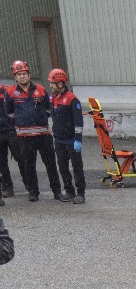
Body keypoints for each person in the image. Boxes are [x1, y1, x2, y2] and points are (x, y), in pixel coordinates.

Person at [5, 60, 63, 203]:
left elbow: (49, 109)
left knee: (51, 164)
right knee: (28, 165)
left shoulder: (41, 89)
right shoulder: (11, 92)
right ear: (15, 77)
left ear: (29, 75)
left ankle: (57, 191)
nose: (22, 77)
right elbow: (9, 112)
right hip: (24, 137)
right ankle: (33, 192)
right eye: (19, 74)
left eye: (24, 74)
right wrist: (23, 120)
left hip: (43, 135)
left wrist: (39, 118)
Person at [47, 68, 85, 204]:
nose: (50, 85)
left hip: (71, 140)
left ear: (60, 83)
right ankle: (69, 191)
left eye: (52, 83)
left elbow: (78, 121)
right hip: (59, 140)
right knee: (63, 167)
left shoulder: (72, 99)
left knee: (77, 167)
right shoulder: (53, 98)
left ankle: (81, 193)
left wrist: (78, 140)